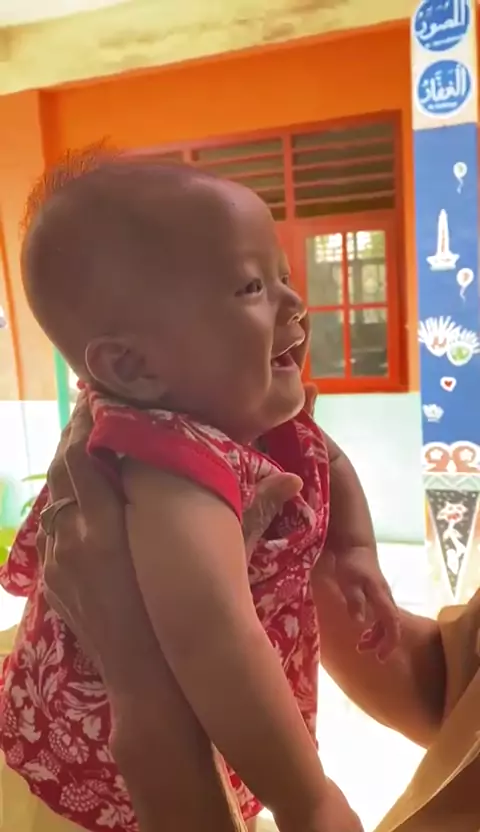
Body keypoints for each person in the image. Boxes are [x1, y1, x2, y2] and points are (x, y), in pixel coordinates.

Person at [0, 151, 399, 832]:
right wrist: (307, 800)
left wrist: (354, 548)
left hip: (190, 746)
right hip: (109, 773)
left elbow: (325, 456)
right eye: (252, 288)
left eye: (282, 276)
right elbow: (218, 644)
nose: (295, 303)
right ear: (133, 366)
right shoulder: (168, 472)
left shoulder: (233, 406)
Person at [30, 396, 480, 832]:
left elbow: (208, 637)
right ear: (128, 364)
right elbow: (457, 690)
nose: (292, 338)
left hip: (175, 747)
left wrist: (305, 802)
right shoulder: (173, 442)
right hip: (121, 744)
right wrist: (336, 554)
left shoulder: (185, 434)